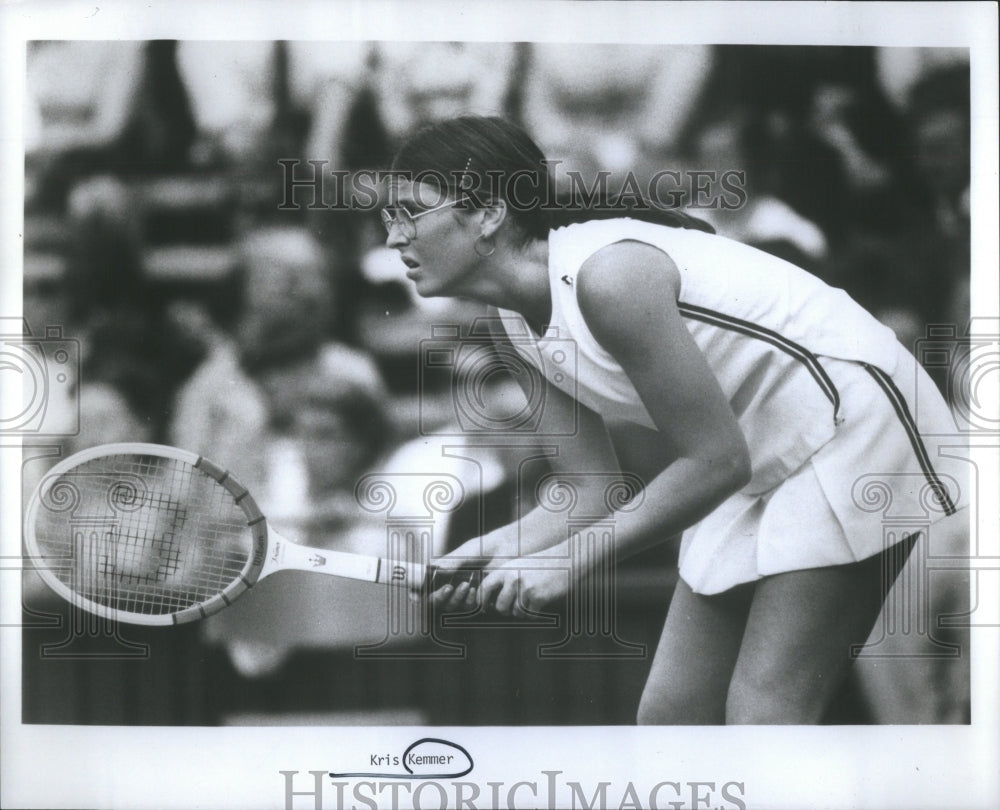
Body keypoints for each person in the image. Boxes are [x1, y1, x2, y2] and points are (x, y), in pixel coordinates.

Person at [379, 115, 968, 725]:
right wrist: (492, 548)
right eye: (387, 217)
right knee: (671, 719)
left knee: (764, 717)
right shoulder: (509, 320)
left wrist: (568, 561)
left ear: (487, 213)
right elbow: (589, 489)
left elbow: (715, 461)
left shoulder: (611, 279)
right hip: (759, 451)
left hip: (857, 424)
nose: (394, 238)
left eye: (409, 212)